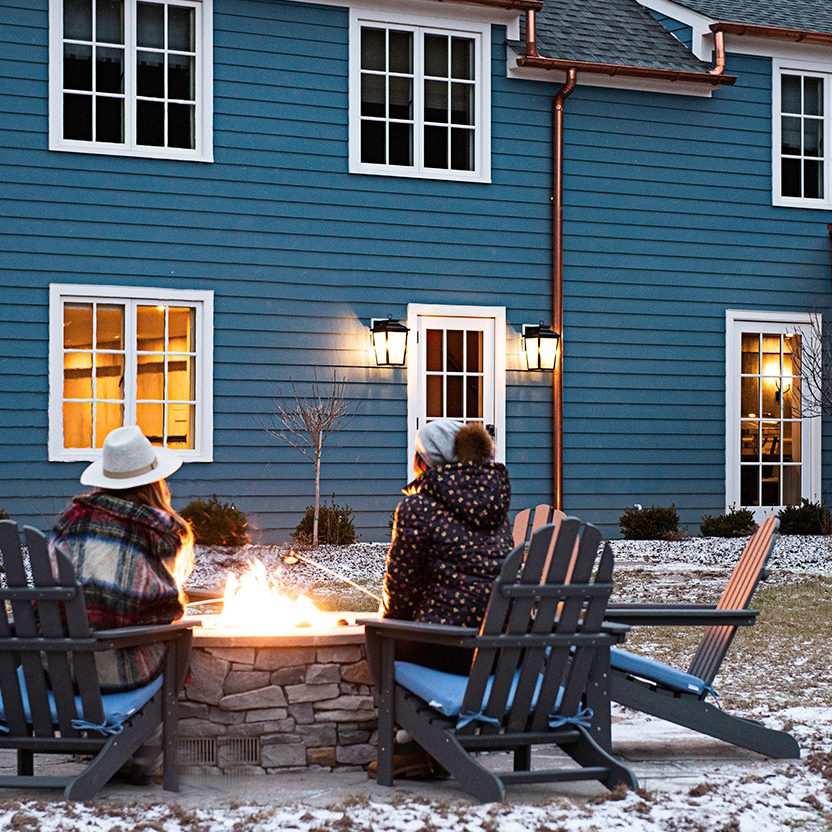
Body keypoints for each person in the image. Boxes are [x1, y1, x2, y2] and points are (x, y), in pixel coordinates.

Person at [50, 425, 194, 693]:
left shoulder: (69, 522)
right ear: (155, 482)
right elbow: (164, 610)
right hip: (117, 669)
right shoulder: (158, 531)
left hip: (54, 667)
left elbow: (47, 598)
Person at [382, 419, 513, 666]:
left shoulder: (418, 507)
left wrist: (387, 625)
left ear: (423, 461)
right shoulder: (494, 506)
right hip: (502, 649)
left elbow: (401, 589)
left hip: (447, 647)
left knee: (378, 646)